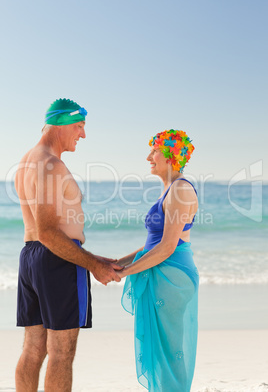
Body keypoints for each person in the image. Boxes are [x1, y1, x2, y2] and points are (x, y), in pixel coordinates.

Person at [14, 98, 122, 392]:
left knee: (33, 348)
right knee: (62, 352)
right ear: (61, 124)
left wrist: (94, 257)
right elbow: (50, 233)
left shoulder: (26, 162)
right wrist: (93, 265)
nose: (82, 135)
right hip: (55, 262)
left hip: (31, 258)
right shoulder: (51, 164)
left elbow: (43, 232)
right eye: (79, 126)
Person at [117, 130, 199, 392]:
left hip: (172, 276)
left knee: (170, 349)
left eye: (154, 151)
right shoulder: (170, 189)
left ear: (170, 156)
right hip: (163, 272)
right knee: (162, 348)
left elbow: (166, 248)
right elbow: (154, 243)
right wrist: (119, 262)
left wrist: (125, 272)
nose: (148, 157)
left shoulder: (181, 190)